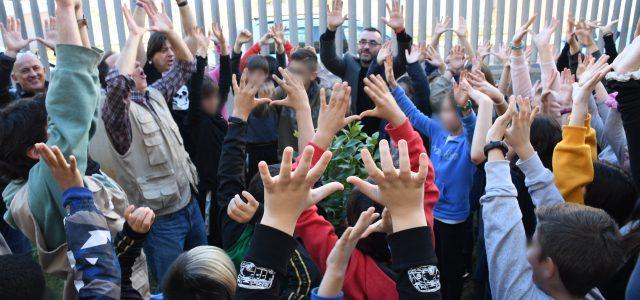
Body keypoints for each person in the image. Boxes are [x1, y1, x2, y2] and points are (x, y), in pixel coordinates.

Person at [100, 1, 204, 289]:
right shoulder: (116, 120)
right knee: (173, 287)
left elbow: (186, 64)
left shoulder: (154, 95)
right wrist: (134, 37)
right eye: (129, 63)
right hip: (162, 221)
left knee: (204, 275)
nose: (139, 67)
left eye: (137, 60)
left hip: (190, 205)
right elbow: (118, 87)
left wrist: (170, 32)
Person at [215, 68, 322, 299]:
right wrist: (303, 109)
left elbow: (229, 175)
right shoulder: (303, 225)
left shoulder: (237, 221)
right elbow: (311, 166)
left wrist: (239, 115)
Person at [385, 54, 477, 299]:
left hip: (456, 218)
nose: (444, 116)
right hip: (433, 212)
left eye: (450, 111)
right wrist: (394, 88)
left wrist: (466, 108)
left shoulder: (470, 142)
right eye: (443, 111)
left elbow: (473, 128)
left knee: (451, 269)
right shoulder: (438, 130)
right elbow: (413, 116)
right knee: (434, 264)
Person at [320, 0, 412, 135]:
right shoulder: (348, 63)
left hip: (381, 134)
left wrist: (400, 32)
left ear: (382, 47)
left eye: (373, 43)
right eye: (363, 42)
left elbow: (404, 60)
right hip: (351, 134)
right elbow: (328, 59)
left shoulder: (387, 67)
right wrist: (331, 30)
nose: (366, 47)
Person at [183, 23, 231, 247]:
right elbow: (194, 89)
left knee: (225, 227)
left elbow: (224, 83)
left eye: (214, 98)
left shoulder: (218, 119)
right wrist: (201, 54)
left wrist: (223, 49)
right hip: (206, 188)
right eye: (207, 98)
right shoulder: (195, 121)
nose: (213, 102)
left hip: (224, 183)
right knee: (209, 234)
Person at [273, 48, 326, 153]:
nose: (292, 76)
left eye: (298, 72)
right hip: (287, 160)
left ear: (313, 75)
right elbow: (262, 113)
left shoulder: (324, 97)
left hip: (316, 160)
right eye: (291, 71)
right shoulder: (281, 92)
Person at [0, 16, 46, 108]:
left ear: (44, 70)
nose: (33, 74)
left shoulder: (58, 91)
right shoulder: (10, 102)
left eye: (36, 68)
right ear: (14, 77)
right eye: (25, 70)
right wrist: (11, 52)